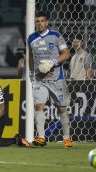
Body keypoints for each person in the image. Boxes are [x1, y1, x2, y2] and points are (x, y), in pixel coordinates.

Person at [28, 11, 72, 148]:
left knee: (62, 109)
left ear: (47, 22)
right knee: (39, 106)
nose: (39, 23)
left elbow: (66, 53)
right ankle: (41, 137)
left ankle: (67, 138)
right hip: (39, 80)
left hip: (56, 79)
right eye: (37, 21)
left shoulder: (56, 36)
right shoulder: (31, 38)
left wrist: (53, 62)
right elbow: (30, 56)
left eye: (42, 21)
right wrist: (31, 73)